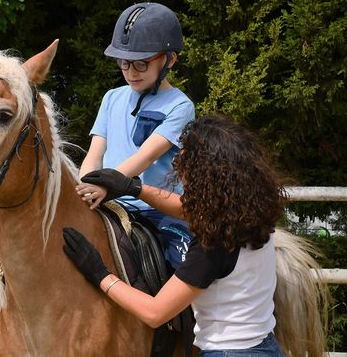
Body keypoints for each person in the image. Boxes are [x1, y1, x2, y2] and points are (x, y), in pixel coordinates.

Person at [65, 115, 287, 356]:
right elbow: (193, 210)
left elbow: (155, 312)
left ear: (205, 176)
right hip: (267, 347)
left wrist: (100, 274)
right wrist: (133, 188)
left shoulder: (211, 247)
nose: (177, 164)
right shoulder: (253, 218)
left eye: (185, 162)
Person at [77, 2, 195, 269]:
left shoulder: (181, 106)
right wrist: (84, 186)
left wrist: (107, 185)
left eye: (141, 64)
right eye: (124, 63)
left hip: (160, 211)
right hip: (108, 203)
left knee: (184, 266)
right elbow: (95, 153)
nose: (130, 72)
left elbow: (144, 157)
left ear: (170, 60)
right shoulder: (111, 98)